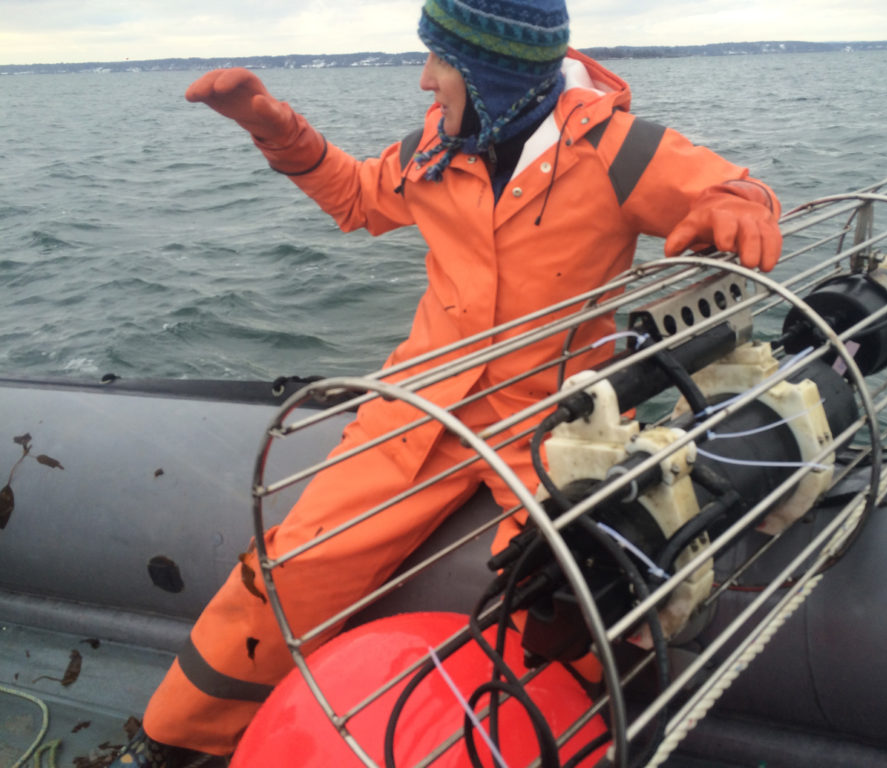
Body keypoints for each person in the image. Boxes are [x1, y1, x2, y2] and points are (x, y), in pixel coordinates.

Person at [118, 0, 782, 765]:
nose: (424, 81)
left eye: (441, 62)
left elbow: (723, 186)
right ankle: (172, 742)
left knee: (562, 602)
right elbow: (359, 198)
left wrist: (741, 204)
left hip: (555, 427)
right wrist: (272, 126)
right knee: (294, 562)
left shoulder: (616, 149)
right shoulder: (442, 145)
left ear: (491, 69)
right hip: (419, 403)